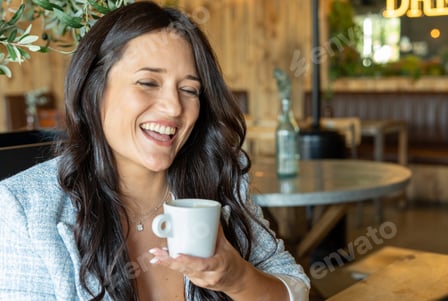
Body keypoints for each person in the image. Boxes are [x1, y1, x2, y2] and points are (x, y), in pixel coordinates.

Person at [0, 1, 310, 301]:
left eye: (189, 89)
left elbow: (294, 290)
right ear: (93, 90)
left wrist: (238, 278)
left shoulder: (220, 179)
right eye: (148, 82)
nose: (175, 107)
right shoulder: (24, 208)